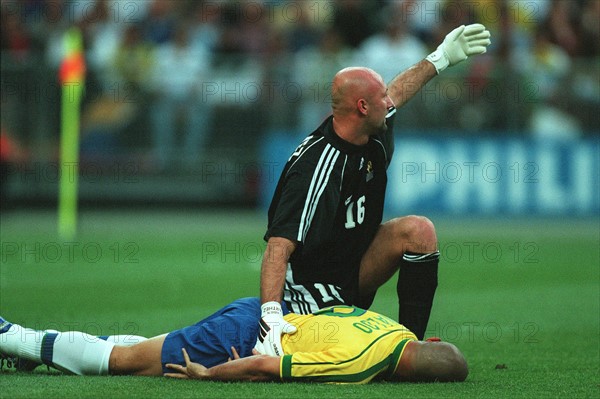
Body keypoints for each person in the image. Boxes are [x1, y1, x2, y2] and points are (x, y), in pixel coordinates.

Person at [255, 24, 491, 357]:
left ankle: (412, 345)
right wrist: (271, 318)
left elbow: (398, 90)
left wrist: (439, 59)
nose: (390, 101)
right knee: (357, 354)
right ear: (363, 107)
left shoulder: (370, 129)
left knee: (419, 231)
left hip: (354, 267)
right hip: (313, 288)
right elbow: (278, 247)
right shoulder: (315, 166)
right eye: (381, 97)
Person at [0, 298, 467, 383]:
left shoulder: (394, 330)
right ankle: (14, 337)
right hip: (241, 342)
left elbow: (331, 314)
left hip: (261, 313)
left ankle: (39, 351)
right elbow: (266, 367)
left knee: (149, 349)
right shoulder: (364, 363)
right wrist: (211, 374)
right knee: (126, 362)